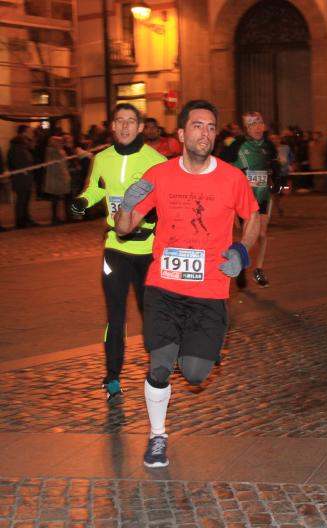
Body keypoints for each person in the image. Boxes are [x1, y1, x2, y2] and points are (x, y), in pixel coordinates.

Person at [115, 99, 259, 468]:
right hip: (163, 287)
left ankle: (192, 345)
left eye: (211, 127)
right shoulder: (160, 176)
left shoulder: (232, 177)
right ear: (180, 134)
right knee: (161, 366)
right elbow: (124, 228)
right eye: (197, 126)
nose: (205, 133)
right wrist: (126, 207)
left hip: (209, 291)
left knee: (194, 373)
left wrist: (242, 252)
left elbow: (253, 218)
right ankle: (157, 436)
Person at [71, 103, 166, 400]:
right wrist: (83, 202)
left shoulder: (157, 160)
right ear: (112, 126)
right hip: (115, 247)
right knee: (115, 313)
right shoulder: (102, 158)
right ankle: (112, 376)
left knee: (149, 311)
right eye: (119, 121)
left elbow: (167, 199)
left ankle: (160, 367)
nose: (125, 127)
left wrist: (154, 217)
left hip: (147, 250)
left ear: (140, 127)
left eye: (131, 122)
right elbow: (96, 189)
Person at [220, 112, 278, 288]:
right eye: (253, 125)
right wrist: (238, 176)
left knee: (261, 234)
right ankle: (241, 265)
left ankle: (258, 269)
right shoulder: (237, 144)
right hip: (243, 197)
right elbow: (222, 164)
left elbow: (274, 165)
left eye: (260, 124)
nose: (258, 128)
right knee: (246, 234)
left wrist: (276, 180)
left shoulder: (269, 146)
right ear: (247, 128)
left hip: (263, 196)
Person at [7, 125, 38, 229]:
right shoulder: (16, 146)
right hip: (20, 177)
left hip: (27, 177)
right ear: (24, 132)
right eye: (29, 131)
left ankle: (26, 218)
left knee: (26, 199)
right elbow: (16, 161)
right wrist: (23, 169)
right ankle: (20, 220)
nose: (31, 133)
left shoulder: (25, 145)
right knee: (21, 199)